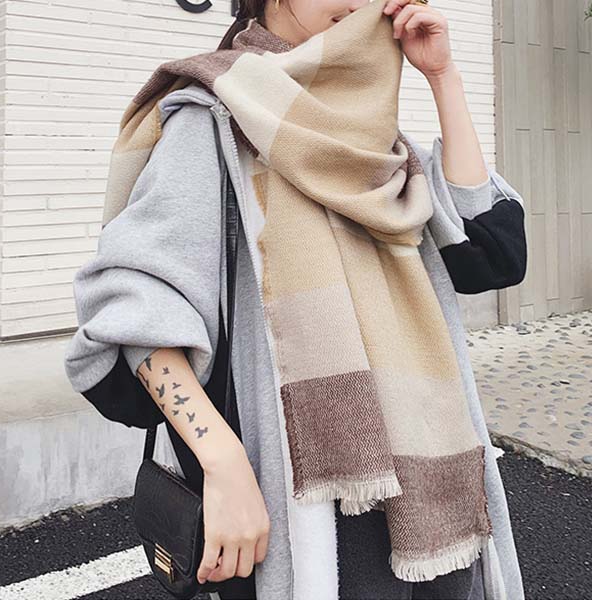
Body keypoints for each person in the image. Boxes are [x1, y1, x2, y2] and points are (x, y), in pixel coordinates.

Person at [64, 0, 527, 599]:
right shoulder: (215, 118)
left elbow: (489, 253)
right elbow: (135, 309)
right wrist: (223, 463)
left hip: (432, 478)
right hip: (304, 493)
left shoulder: (375, 141)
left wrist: (443, 76)